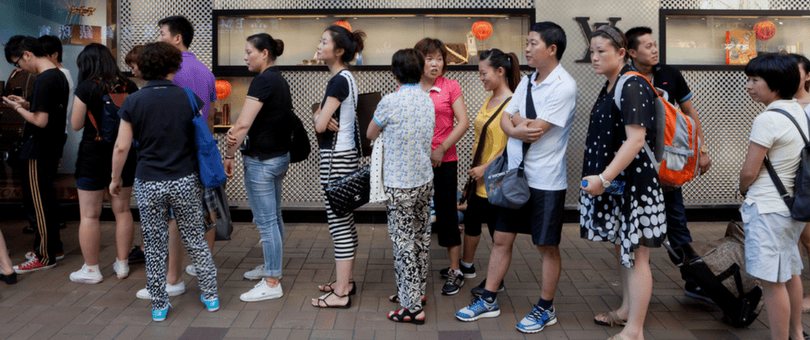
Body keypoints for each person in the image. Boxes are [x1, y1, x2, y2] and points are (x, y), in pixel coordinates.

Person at [456, 22, 577, 335]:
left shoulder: (564, 85)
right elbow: (511, 119)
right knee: (501, 238)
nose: (526, 48)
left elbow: (535, 130)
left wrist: (516, 124)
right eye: (527, 42)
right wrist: (514, 126)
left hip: (546, 181)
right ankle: (489, 299)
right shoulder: (527, 80)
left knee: (546, 245)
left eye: (533, 43)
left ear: (552, 49)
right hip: (515, 174)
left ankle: (545, 307)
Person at [110, 41, 219, 322]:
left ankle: (159, 305)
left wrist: (115, 178)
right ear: (175, 65)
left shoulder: (133, 101)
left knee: (155, 243)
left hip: (148, 181)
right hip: (184, 179)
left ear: (143, 68)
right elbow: (202, 135)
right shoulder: (189, 97)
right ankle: (210, 295)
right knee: (195, 238)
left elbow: (121, 147)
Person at [580, 25, 665, 340]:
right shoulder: (612, 84)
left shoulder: (630, 85)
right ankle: (627, 310)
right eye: (592, 51)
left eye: (602, 51)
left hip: (635, 185)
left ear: (622, 52)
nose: (595, 57)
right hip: (621, 185)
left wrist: (604, 177)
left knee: (638, 252)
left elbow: (636, 140)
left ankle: (635, 330)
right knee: (624, 248)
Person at [624, 26, 712, 301]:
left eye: (655, 44)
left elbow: (690, 113)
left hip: (668, 164)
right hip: (636, 165)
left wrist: (702, 150)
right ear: (631, 52)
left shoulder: (670, 75)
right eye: (647, 46)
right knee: (636, 227)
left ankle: (693, 281)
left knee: (677, 224)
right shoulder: (627, 77)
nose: (654, 49)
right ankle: (637, 289)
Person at [135, 15, 219, 300]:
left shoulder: (171, 72)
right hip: (197, 156)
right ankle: (203, 272)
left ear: (176, 38)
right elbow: (208, 120)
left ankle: (173, 279)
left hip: (169, 160)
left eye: (162, 33)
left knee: (172, 222)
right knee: (202, 218)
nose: (159, 38)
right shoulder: (206, 72)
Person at [739, 53, 806, 340]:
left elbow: (749, 171)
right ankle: (797, 333)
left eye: (755, 80)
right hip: (791, 207)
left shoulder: (767, 119)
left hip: (768, 209)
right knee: (790, 273)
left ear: (776, 84)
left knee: (772, 283)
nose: (749, 86)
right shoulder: (797, 110)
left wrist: (743, 188)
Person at [367, 48, 435, 324]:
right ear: (420, 71)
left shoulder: (389, 102)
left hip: (400, 184)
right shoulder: (427, 100)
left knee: (403, 242)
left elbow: (371, 133)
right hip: (424, 179)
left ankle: (412, 308)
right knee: (420, 238)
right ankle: (415, 292)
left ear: (394, 73)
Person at [223, 33, 291, 302]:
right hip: (277, 158)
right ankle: (270, 266)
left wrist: (229, 153)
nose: (244, 56)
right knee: (273, 217)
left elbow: (241, 124)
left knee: (267, 222)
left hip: (262, 162)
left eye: (249, 51)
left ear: (264, 53)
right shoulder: (279, 79)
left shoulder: (263, 80)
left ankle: (272, 281)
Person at [67, 43, 139, 284]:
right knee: (122, 210)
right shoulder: (129, 85)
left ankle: (91, 269)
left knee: (89, 215)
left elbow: (76, 124)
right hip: (124, 155)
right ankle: (122, 264)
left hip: (92, 156)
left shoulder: (86, 88)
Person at [2, 35, 69, 274]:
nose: (19, 67)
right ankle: (54, 248)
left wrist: (17, 108)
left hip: (38, 148)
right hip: (51, 147)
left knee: (38, 204)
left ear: (27, 54)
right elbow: (47, 111)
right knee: (47, 200)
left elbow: (40, 121)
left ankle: (44, 255)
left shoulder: (43, 79)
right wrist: (27, 104)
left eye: (17, 62)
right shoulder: (58, 75)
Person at [311, 24, 366, 309]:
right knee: (344, 220)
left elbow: (320, 124)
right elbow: (323, 119)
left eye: (324, 42)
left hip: (336, 158)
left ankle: (341, 292)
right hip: (346, 156)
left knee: (338, 223)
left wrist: (319, 116)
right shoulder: (346, 77)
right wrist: (320, 115)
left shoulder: (337, 81)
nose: (319, 46)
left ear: (339, 51)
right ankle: (347, 280)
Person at [413, 37, 471, 296]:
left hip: (445, 160)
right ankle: (414, 268)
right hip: (415, 163)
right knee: (417, 214)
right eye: (429, 58)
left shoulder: (450, 86)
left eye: (439, 58)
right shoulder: (410, 88)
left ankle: (455, 270)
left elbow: (463, 123)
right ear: (419, 61)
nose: (435, 63)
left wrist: (441, 148)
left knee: (447, 214)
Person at [462, 48, 520, 297]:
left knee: (499, 235)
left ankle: (497, 281)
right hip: (479, 178)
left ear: (500, 71)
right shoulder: (490, 98)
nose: (481, 78)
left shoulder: (513, 105)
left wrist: (486, 168)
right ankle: (466, 267)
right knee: (472, 223)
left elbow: (513, 146)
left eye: (483, 73)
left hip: (497, 181)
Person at [787, 53, 810, 314]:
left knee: (807, 239)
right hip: (786, 182)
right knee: (793, 241)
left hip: (807, 181)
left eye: (796, 70)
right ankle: (797, 293)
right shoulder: (782, 103)